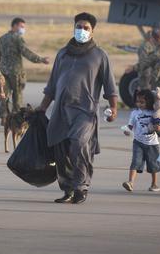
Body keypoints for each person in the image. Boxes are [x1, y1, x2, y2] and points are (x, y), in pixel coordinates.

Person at [38, 12, 118, 205]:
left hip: (85, 111)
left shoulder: (99, 55)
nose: (82, 30)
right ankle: (67, 189)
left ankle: (81, 187)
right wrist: (42, 108)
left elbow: (110, 86)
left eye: (86, 28)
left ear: (92, 31)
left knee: (79, 144)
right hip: (61, 110)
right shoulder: (62, 53)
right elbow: (52, 84)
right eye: (79, 27)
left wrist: (114, 108)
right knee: (61, 149)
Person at [0, 17, 50, 117]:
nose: (23, 29)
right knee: (17, 98)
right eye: (21, 26)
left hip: (3, 72)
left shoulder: (1, 39)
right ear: (15, 25)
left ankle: (4, 118)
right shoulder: (17, 38)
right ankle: (17, 119)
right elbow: (26, 53)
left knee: (4, 96)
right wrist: (41, 59)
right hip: (16, 73)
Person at [121, 89, 160, 193]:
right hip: (138, 142)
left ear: (149, 101)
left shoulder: (155, 112)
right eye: (137, 101)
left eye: (142, 102)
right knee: (135, 162)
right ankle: (130, 182)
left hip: (152, 143)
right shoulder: (134, 113)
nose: (139, 104)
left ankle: (154, 184)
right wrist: (127, 130)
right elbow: (130, 126)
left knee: (153, 164)